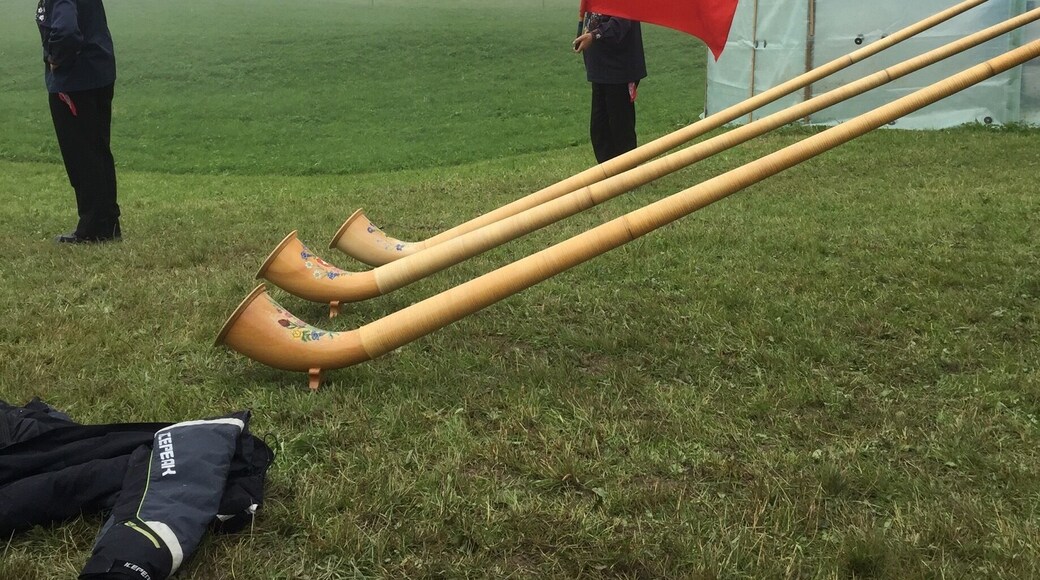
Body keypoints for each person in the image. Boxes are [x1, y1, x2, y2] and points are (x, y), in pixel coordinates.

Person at [36, 0, 121, 243]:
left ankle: (93, 228)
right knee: (98, 151)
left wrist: (55, 57)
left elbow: (66, 30)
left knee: (82, 157)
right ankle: (108, 223)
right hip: (99, 72)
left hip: (74, 82)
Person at [573, 12, 647, 164]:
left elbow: (622, 22)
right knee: (600, 130)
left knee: (620, 128)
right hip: (600, 71)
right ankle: (607, 175)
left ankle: (627, 175)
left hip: (619, 70)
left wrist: (594, 36)